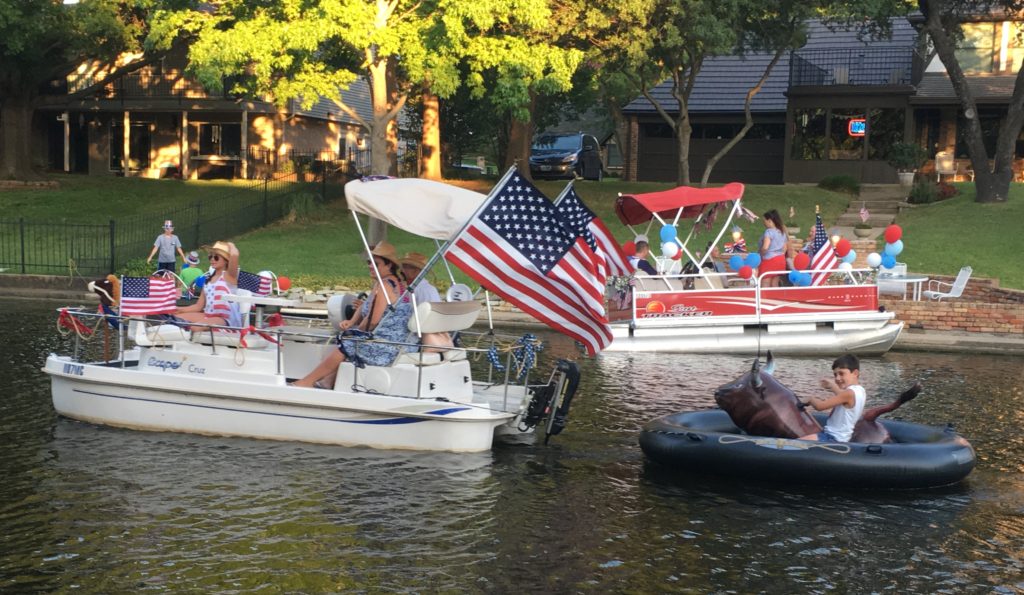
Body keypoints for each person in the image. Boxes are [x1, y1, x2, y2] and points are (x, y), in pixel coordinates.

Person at [292, 242, 413, 388]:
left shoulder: (384, 286)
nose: (370, 266)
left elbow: (373, 321)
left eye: (376, 263)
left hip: (387, 346)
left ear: (389, 266)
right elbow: (368, 308)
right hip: (400, 342)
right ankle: (328, 381)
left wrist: (355, 330)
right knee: (349, 339)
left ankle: (306, 382)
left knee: (346, 343)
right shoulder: (398, 283)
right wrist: (352, 323)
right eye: (369, 262)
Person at [798, 354, 867, 443]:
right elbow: (842, 396)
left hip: (832, 438)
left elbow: (820, 406)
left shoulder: (848, 393)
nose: (837, 378)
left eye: (841, 373)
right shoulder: (860, 391)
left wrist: (810, 399)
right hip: (842, 438)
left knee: (792, 445)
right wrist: (832, 386)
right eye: (835, 375)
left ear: (855, 373)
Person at [176, 241, 241, 330]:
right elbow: (198, 306)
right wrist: (178, 309)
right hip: (209, 317)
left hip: (225, 320)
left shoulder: (229, 276)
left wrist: (231, 245)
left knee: (195, 327)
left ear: (226, 260)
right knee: (175, 320)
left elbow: (234, 255)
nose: (212, 259)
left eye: (216, 257)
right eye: (210, 256)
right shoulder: (208, 280)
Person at [758, 209, 788, 288]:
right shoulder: (782, 232)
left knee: (765, 283)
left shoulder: (769, 232)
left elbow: (765, 247)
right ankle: (775, 299)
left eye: (764, 220)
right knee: (775, 283)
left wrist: (760, 254)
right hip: (781, 259)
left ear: (769, 220)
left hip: (769, 260)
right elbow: (785, 248)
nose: (763, 222)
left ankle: (764, 299)